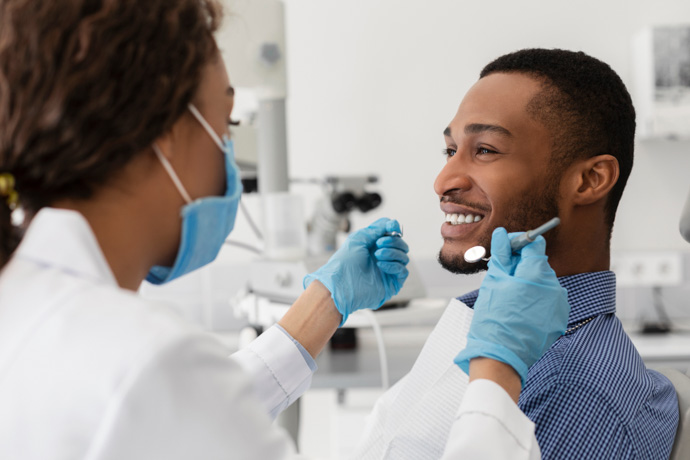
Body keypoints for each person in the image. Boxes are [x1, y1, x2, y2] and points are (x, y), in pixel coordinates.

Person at [0, 1, 569, 459]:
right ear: (165, 133)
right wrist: (497, 372)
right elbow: (172, 405)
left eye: (485, 149)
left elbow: (183, 419)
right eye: (227, 123)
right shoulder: (148, 364)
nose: (446, 177)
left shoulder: (32, 310)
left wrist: (322, 305)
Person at [352, 49, 680, 460]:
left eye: (486, 150)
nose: (444, 180)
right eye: (450, 150)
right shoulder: (489, 329)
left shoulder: (576, 395)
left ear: (590, 180)